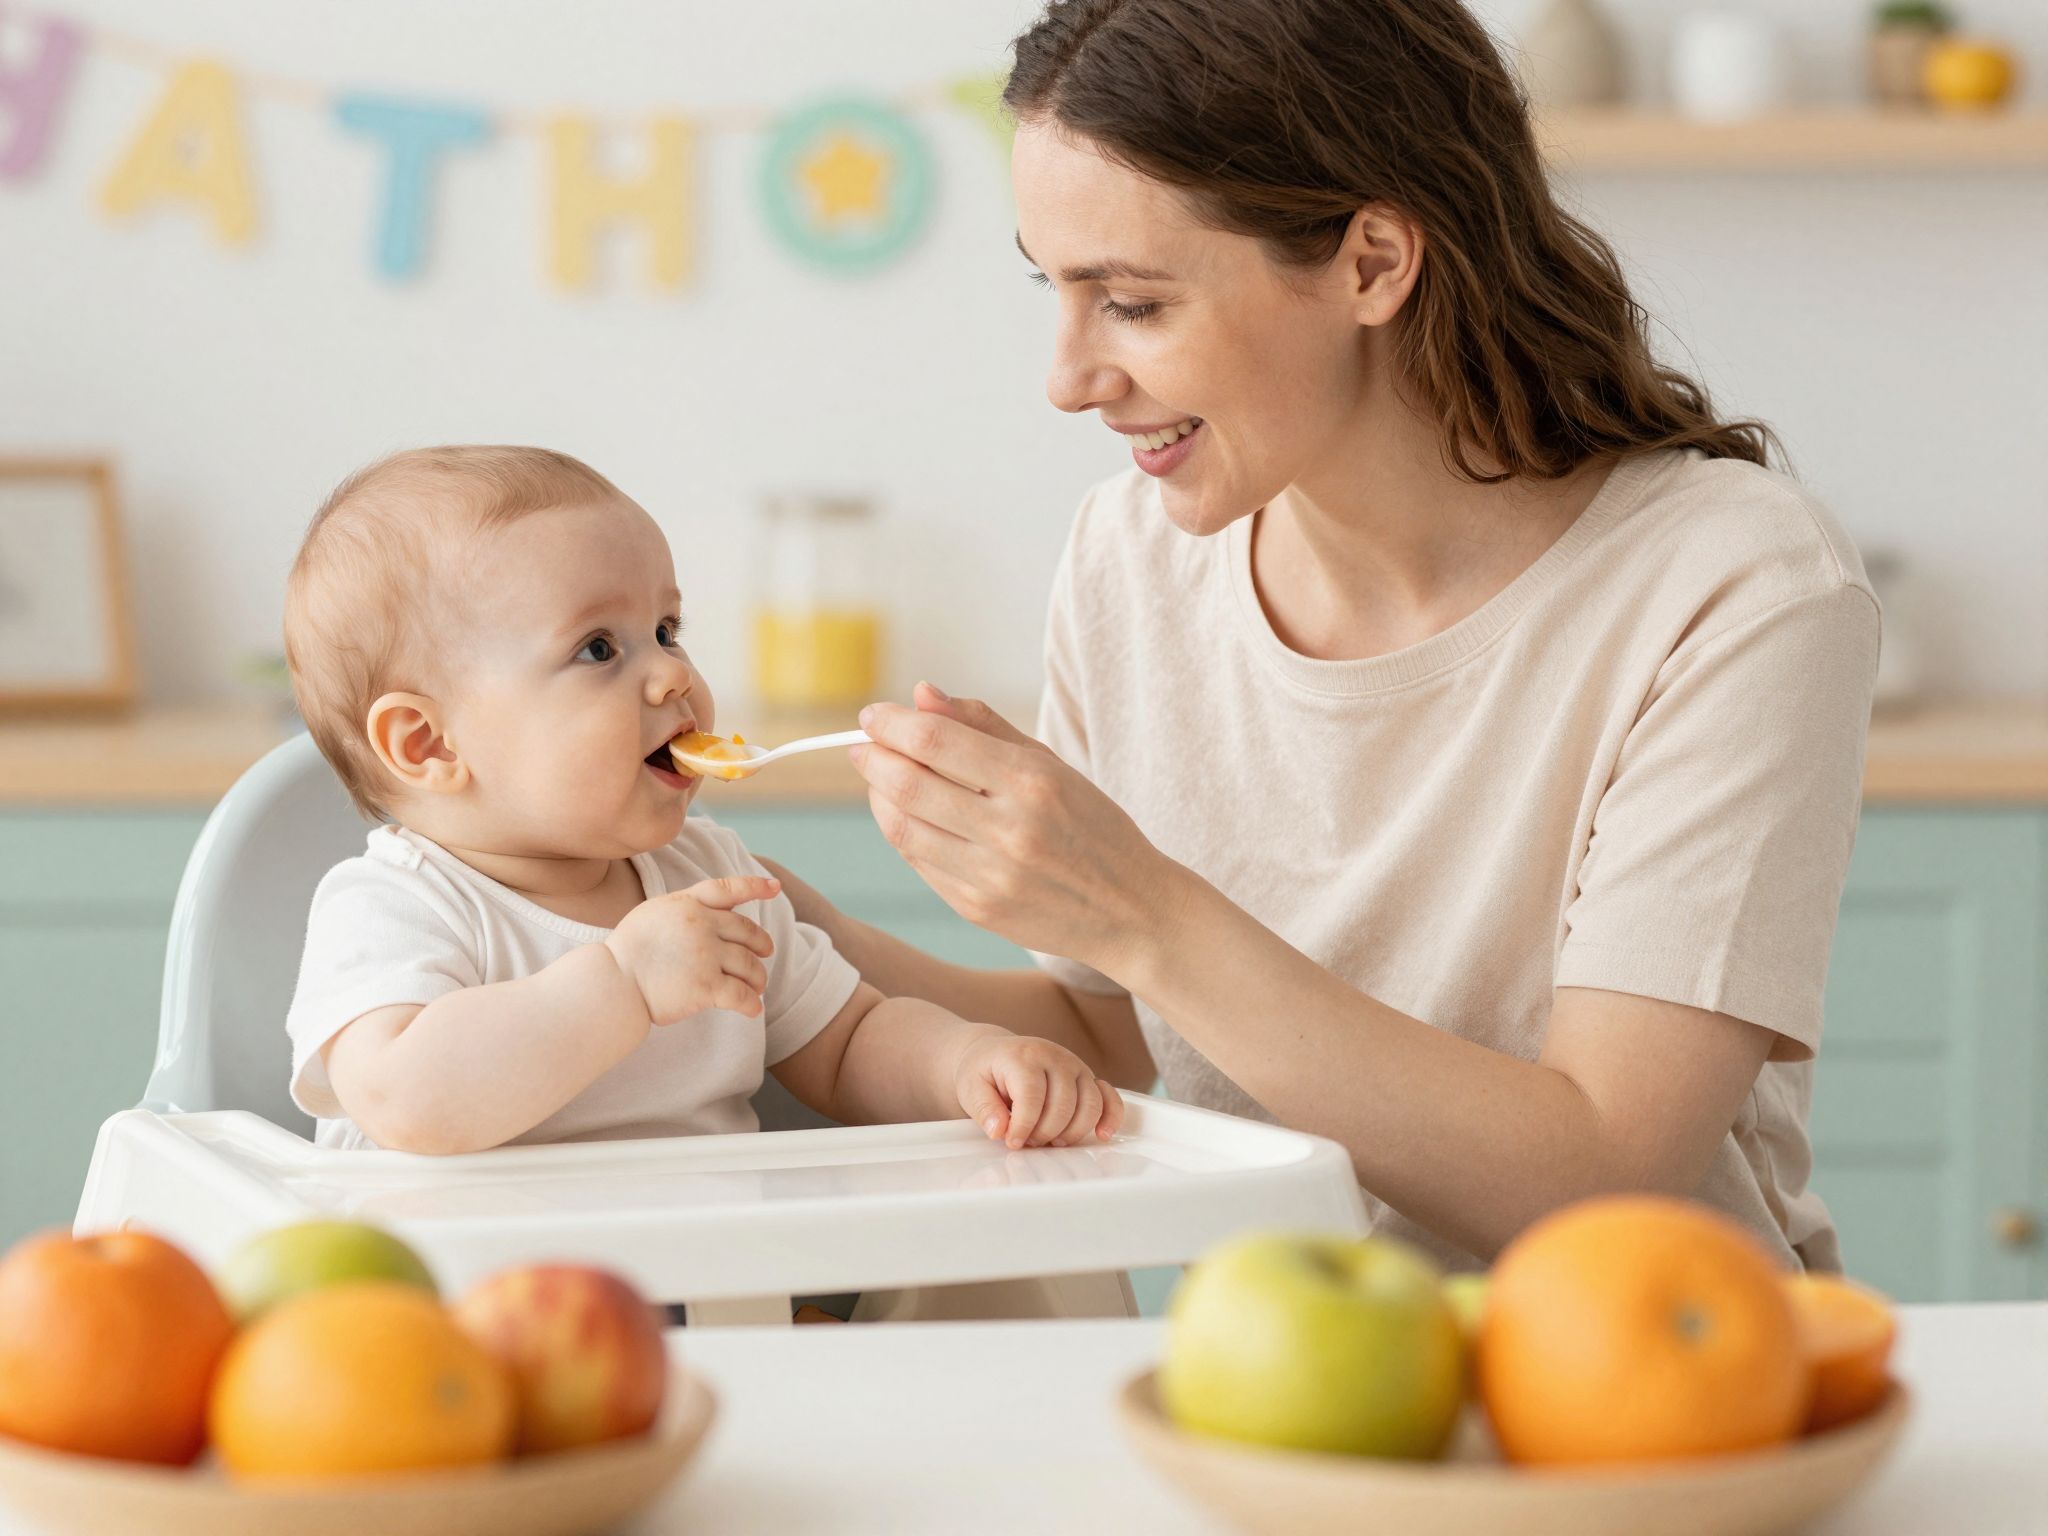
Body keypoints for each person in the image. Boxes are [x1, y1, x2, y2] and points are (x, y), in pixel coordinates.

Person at [768, 0, 1879, 1272]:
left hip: (1644, 1366)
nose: (1067, 379)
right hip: (1285, 1366)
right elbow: (1116, 1039)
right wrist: (800, 943)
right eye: (1053, 289)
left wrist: (1139, 909)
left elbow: (1604, 1178)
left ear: (1370, 263)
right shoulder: (1129, 558)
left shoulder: (1732, 585)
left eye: (1130, 302)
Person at [278, 444, 1122, 1158]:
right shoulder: (395, 907)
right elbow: (406, 1102)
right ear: (428, 745)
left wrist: (966, 1063)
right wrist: (622, 983)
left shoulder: (710, 878)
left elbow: (850, 1041)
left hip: (709, 1278)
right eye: (598, 648)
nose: (673, 673)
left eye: (667, 631)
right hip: (463, 1295)